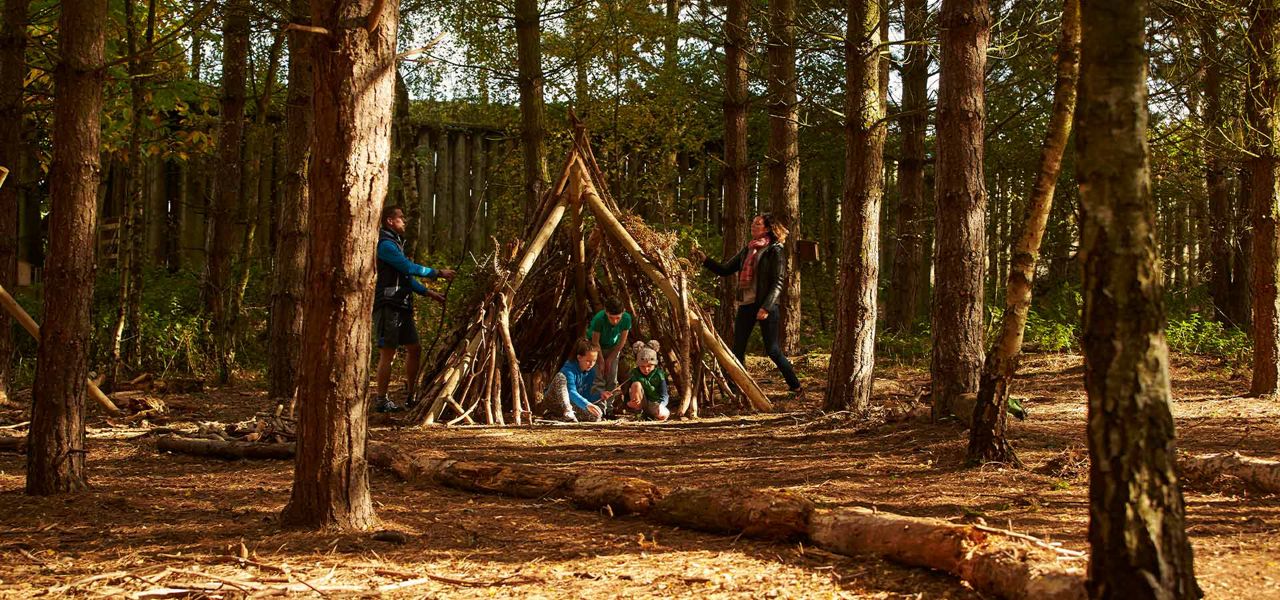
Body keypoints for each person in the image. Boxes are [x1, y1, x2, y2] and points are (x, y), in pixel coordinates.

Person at [693, 213, 802, 393]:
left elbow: (778, 282)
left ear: (767, 228)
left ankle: (795, 386)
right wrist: (705, 260)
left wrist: (766, 307)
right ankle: (738, 389)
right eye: (752, 223)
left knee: (773, 350)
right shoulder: (748, 249)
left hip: (766, 307)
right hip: (747, 305)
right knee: (738, 349)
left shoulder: (775, 250)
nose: (753, 226)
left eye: (757, 224)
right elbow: (725, 269)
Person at [373, 205, 455, 413]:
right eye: (401, 217)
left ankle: (410, 395)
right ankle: (381, 399)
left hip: (403, 304)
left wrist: (430, 294)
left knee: (414, 348)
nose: (404, 221)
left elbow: (407, 278)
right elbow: (409, 268)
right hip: (389, 305)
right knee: (388, 353)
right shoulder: (385, 245)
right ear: (390, 221)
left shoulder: (396, 244)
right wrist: (438, 272)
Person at [548, 339, 613, 422]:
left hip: (572, 405)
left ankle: (560, 417)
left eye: (594, 361)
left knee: (596, 415)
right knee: (560, 377)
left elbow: (585, 395)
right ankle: (562, 412)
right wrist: (587, 404)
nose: (591, 364)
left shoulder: (591, 372)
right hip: (554, 403)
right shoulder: (568, 369)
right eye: (588, 361)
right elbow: (571, 392)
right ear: (579, 357)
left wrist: (599, 396)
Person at [585, 297, 632, 394]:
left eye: (618, 318)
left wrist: (610, 359)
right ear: (606, 312)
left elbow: (622, 342)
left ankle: (609, 407)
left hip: (613, 348)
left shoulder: (626, 318)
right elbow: (595, 342)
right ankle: (598, 406)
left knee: (611, 378)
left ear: (623, 312)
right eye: (611, 318)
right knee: (598, 378)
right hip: (596, 348)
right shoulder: (599, 319)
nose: (615, 321)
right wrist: (601, 360)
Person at [623, 340, 670, 421]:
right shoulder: (634, 373)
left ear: (655, 364)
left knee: (664, 414)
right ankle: (639, 413)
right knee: (636, 384)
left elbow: (665, 395)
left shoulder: (659, 374)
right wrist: (628, 403)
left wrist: (661, 405)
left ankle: (652, 415)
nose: (646, 369)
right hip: (641, 402)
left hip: (654, 403)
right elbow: (627, 392)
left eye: (649, 366)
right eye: (642, 366)